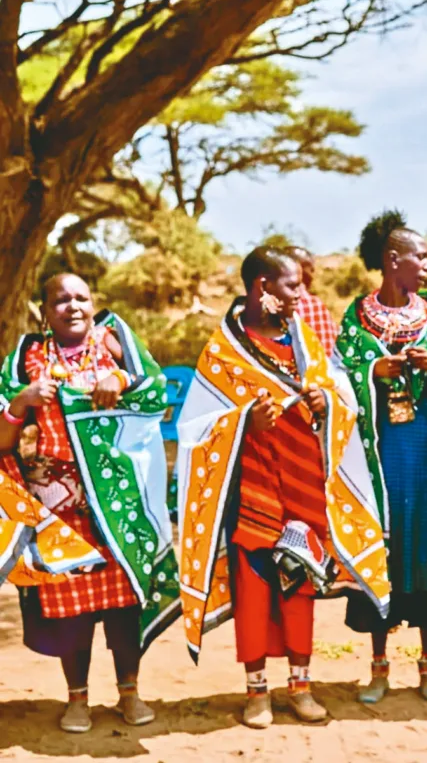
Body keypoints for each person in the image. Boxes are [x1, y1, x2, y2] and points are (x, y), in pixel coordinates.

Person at [175, 247, 388, 729]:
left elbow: (341, 396)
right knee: (253, 591)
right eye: (292, 286)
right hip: (252, 492)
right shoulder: (224, 349)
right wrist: (243, 421)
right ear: (262, 289)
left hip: (303, 488)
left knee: (299, 584)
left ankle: (301, 686)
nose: (301, 295)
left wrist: (325, 402)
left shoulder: (305, 341)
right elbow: (196, 426)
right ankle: (256, 692)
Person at [0, 274, 179, 733]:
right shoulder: (26, 357)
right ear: (43, 310)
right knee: (70, 610)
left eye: (81, 297)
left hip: (120, 503)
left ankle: (130, 693)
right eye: (61, 299)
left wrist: (118, 377)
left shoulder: (116, 342)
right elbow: (3, 438)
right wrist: (21, 401)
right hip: (61, 508)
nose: (73, 306)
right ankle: (76, 700)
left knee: (124, 604)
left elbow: (156, 395)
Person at [337, 211, 427, 704]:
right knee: (383, 546)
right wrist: (371, 370)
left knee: (424, 553)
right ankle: (378, 668)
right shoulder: (355, 317)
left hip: (426, 454)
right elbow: (336, 378)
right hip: (380, 456)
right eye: (419, 256)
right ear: (391, 260)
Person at [287, 245, 340, 357]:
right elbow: (328, 353)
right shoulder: (312, 305)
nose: (313, 275)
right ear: (301, 270)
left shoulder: (265, 305)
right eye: (311, 269)